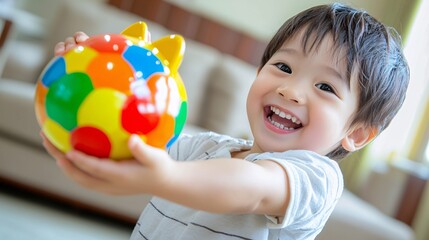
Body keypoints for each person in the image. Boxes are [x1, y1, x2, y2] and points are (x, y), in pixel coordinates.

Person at [41, 2, 409, 240]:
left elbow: (253, 186)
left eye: (326, 86)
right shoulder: (204, 147)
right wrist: (82, 86)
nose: (291, 91)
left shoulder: (316, 178)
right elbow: (128, 147)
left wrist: (166, 177)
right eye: (283, 67)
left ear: (356, 133)